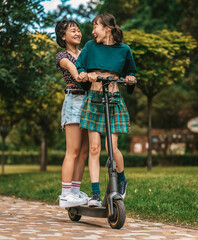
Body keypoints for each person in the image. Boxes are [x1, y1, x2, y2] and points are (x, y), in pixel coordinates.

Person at [76, 13, 137, 207]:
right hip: (94, 99)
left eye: (96, 27)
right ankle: (95, 194)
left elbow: (131, 72)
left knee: (112, 147)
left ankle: (121, 179)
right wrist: (85, 75)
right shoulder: (89, 47)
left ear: (107, 29)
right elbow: (80, 68)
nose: (93, 31)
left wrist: (130, 79)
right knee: (94, 148)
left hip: (113, 98)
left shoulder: (124, 50)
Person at [55, 20, 89, 208]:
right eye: (72, 30)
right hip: (74, 100)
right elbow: (73, 70)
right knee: (73, 151)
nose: (77, 33)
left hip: (88, 100)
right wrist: (80, 76)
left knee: (83, 152)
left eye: (78, 30)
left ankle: (75, 192)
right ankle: (66, 194)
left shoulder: (85, 53)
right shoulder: (62, 56)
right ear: (63, 36)